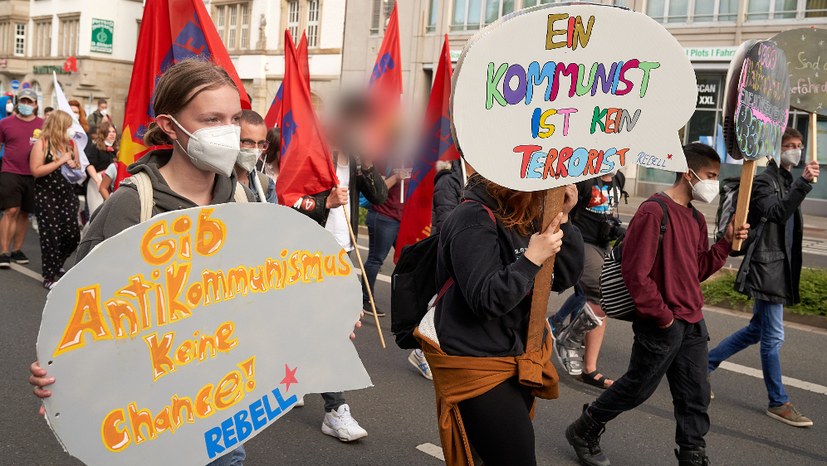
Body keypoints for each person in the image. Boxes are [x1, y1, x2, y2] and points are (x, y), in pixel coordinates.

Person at [28, 58, 253, 466]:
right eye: (211, 119)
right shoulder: (133, 204)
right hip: (147, 414)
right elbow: (80, 306)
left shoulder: (240, 199)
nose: (229, 131)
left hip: (222, 411)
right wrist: (59, 371)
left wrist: (316, 316)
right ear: (169, 125)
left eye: (234, 118)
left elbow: (261, 292)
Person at [564, 143, 750, 466]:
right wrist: (662, 317)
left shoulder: (694, 218)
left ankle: (693, 455)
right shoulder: (653, 211)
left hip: (692, 321)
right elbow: (636, 274)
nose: (713, 185)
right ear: (686, 173)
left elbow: (698, 269)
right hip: (661, 324)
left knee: (695, 394)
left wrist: (725, 243)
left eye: (717, 177)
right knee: (637, 386)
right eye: (709, 176)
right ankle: (585, 427)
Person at [419, 174, 583, 466]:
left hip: (517, 352)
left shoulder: (527, 210)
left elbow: (562, 278)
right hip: (477, 361)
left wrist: (564, 218)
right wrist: (531, 259)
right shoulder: (472, 217)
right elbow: (487, 299)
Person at [708, 128, 819, 428]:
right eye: (788, 146)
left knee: (757, 330)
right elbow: (777, 213)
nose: (795, 151)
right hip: (766, 267)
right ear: (775, 148)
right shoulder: (765, 181)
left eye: (798, 146)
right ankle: (778, 401)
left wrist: (798, 183)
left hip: (778, 267)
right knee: (774, 337)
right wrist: (804, 183)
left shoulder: (784, 179)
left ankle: (703, 365)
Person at [552, 172, 626, 389]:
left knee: (605, 298)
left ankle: (590, 369)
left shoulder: (619, 179)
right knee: (600, 293)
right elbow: (566, 211)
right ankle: (568, 337)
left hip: (604, 243)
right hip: (581, 242)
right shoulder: (584, 180)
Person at [28, 110, 82, 289]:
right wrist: (60, 161)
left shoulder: (71, 144)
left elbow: (78, 167)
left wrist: (74, 164)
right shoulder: (42, 144)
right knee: (50, 235)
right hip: (47, 195)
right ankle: (49, 274)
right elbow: (36, 171)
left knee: (72, 235)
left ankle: (57, 262)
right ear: (59, 126)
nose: (71, 129)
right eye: (68, 125)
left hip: (67, 195)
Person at [0, 88, 44, 268]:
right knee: (11, 210)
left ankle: (17, 250)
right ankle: (3, 251)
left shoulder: (43, 124)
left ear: (35, 105)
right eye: (23, 101)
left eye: (29, 102)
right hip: (10, 171)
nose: (26, 105)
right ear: (19, 103)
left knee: (25, 213)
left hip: (34, 173)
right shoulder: (5, 123)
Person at [235, 110, 276, 203]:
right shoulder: (213, 182)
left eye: (261, 143)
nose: (256, 149)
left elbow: (274, 217)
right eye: (248, 142)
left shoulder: (266, 185)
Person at [84, 121, 118, 214]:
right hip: (98, 180)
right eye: (109, 132)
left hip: (113, 182)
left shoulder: (117, 149)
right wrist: (98, 181)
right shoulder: (95, 147)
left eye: (113, 132)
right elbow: (89, 165)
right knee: (96, 211)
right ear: (103, 133)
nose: (112, 134)